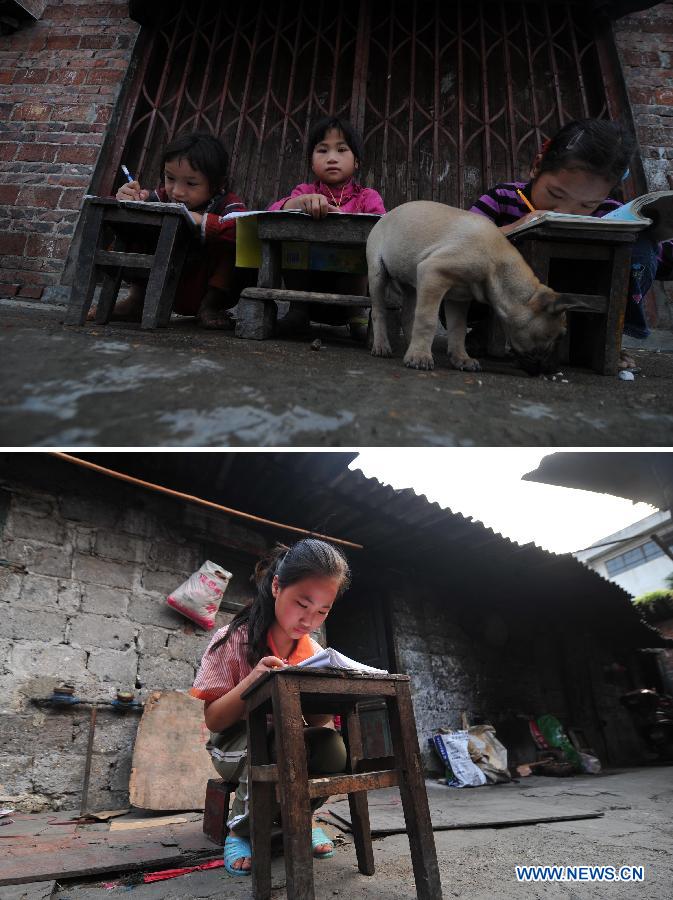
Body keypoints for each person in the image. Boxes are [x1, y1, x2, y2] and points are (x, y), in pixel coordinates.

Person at [190, 538, 350, 876]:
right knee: (275, 743)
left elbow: (318, 721)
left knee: (332, 748)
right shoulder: (233, 639)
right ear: (277, 587)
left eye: (323, 611)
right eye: (302, 604)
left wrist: (324, 689)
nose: (309, 620)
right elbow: (215, 721)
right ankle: (240, 831)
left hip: (287, 741)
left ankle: (301, 819)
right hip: (234, 747)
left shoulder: (312, 649)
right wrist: (254, 681)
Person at [469, 118, 673, 369]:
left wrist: (656, 232)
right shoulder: (503, 198)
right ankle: (489, 331)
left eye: (587, 205)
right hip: (503, 300)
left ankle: (598, 340)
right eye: (555, 194)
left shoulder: (609, 214)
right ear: (537, 166)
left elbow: (658, 259)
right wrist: (517, 226)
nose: (566, 210)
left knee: (641, 244)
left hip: (573, 307)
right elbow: (461, 238)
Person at [101, 132, 247, 328]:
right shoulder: (159, 197)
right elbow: (116, 213)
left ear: (218, 185)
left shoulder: (227, 204)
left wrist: (202, 220)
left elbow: (244, 228)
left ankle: (210, 306)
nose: (177, 192)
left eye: (191, 183)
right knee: (134, 226)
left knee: (234, 244)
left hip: (202, 286)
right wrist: (126, 198)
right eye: (170, 178)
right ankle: (137, 301)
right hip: (162, 283)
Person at [268, 116, 386, 340]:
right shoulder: (304, 191)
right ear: (312, 163)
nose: (332, 158)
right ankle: (297, 312)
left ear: (357, 162)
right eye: (323, 150)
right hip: (307, 294)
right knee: (291, 237)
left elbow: (384, 227)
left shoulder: (367, 197)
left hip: (353, 295)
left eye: (341, 150)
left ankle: (358, 319)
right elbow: (274, 211)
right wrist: (298, 204)